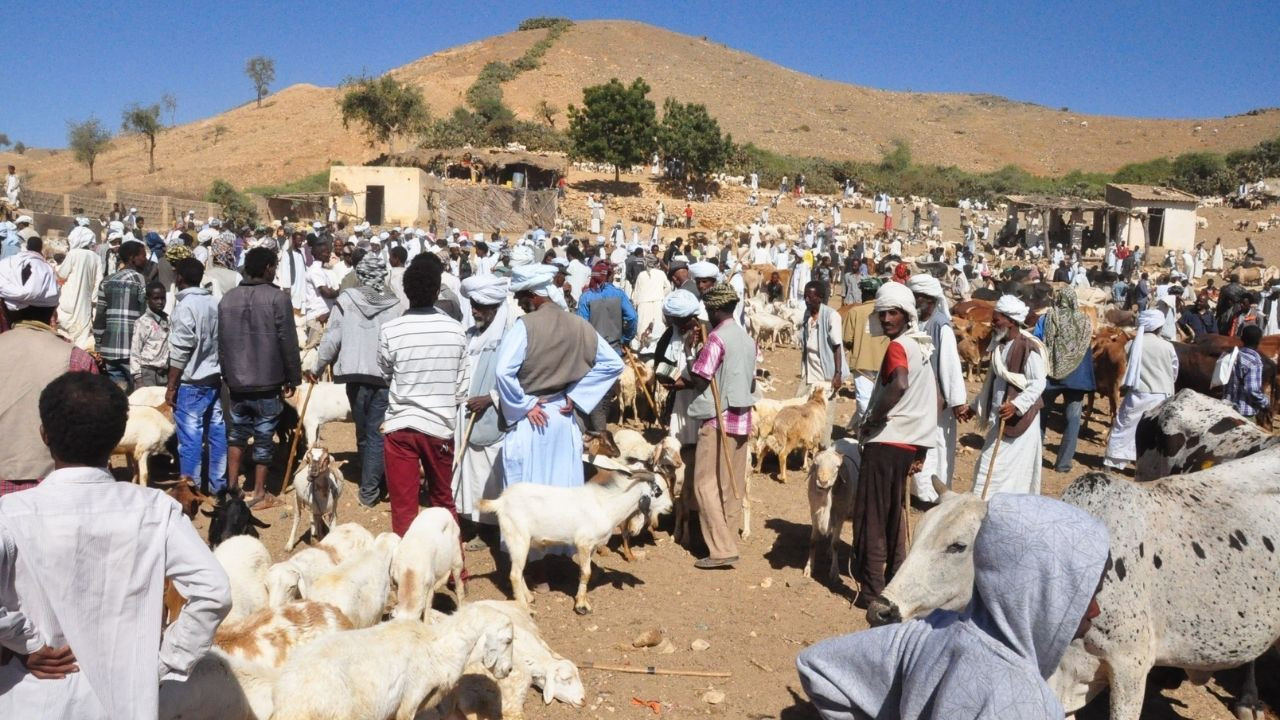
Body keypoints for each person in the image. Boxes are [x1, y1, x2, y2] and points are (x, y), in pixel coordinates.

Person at [0, 372, 231, 720]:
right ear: (117, 439)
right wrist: (165, 662)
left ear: (44, 436)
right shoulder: (156, 511)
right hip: (127, 700)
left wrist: (27, 643)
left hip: (36, 698)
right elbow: (214, 591)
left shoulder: (12, 513)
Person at [797, 493, 1109, 720]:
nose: (1094, 610)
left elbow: (818, 665)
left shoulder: (926, 633)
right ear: (1042, 589)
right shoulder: (1031, 703)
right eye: (1082, 595)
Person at [494, 264, 623, 582]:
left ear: (532, 296)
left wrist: (523, 404)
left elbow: (502, 372)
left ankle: (529, 565)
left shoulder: (524, 327)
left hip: (532, 419)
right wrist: (577, 396)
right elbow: (612, 363)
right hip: (563, 419)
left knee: (531, 493)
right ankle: (559, 561)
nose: (521, 303)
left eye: (523, 297)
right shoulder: (579, 325)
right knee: (562, 491)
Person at [853, 283, 935, 601]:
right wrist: (922, 448)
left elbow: (899, 384)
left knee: (871, 518)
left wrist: (873, 418)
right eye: (883, 313)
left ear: (906, 315)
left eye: (893, 313)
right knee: (894, 516)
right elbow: (932, 399)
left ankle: (873, 590)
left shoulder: (899, 347)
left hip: (887, 442)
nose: (886, 319)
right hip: (909, 444)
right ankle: (895, 583)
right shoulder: (922, 348)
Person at [378, 253, 469, 537]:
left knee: (404, 508)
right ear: (435, 290)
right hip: (439, 427)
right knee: (443, 500)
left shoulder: (391, 330)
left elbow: (385, 373)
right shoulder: (456, 331)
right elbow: (461, 388)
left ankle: (407, 573)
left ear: (406, 292)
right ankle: (457, 573)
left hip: (400, 427)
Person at [666, 284, 756, 569]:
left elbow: (702, 378)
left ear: (716, 310)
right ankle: (727, 539)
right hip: (741, 417)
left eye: (708, 309)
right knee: (730, 482)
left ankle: (720, 550)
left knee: (704, 484)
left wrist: (693, 352)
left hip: (718, 418)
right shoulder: (745, 338)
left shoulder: (716, 339)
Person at [306, 254, 403, 507]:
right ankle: (373, 484)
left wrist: (318, 366)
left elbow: (332, 338)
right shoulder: (395, 304)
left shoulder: (346, 300)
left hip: (354, 376)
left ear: (360, 275)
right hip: (384, 377)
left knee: (364, 430)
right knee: (375, 431)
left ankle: (369, 488)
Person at [0, 253, 99, 494]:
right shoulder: (78, 360)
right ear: (54, 306)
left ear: (4, 307)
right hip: (57, 492)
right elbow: (93, 437)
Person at [219, 247, 302, 508]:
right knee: (265, 435)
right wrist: (293, 376)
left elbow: (221, 342)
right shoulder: (278, 299)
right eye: (274, 266)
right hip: (267, 380)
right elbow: (288, 340)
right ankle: (259, 492)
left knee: (237, 434)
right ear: (267, 267)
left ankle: (232, 487)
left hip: (237, 382)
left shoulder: (227, 299)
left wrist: (227, 373)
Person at [964, 295, 1046, 497]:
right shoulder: (998, 344)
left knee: (1007, 475)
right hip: (999, 418)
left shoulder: (1028, 347)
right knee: (987, 470)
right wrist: (975, 407)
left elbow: (1038, 383)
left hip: (1019, 423)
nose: (993, 323)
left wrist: (1017, 405)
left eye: (997, 319)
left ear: (1010, 321)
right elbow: (992, 382)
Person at [453, 275, 512, 549]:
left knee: (492, 474)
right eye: (473, 305)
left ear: (494, 308)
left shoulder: (509, 339)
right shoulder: (471, 336)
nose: (474, 310)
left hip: (492, 419)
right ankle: (475, 526)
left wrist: (490, 398)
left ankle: (493, 528)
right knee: (468, 473)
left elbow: (517, 381)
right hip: (465, 416)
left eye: (479, 306)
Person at [165, 258, 227, 496]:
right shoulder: (214, 303)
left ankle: (191, 489)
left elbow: (181, 349)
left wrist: (171, 386)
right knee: (216, 432)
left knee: (190, 439)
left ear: (180, 277)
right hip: (213, 379)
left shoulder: (186, 306)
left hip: (191, 383)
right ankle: (217, 485)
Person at [906, 275, 965, 503]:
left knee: (936, 445)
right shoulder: (914, 324)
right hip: (914, 396)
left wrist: (956, 400)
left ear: (929, 299)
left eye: (917, 298)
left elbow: (950, 365)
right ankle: (915, 491)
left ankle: (931, 494)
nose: (914, 302)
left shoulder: (941, 326)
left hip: (936, 399)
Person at [1103, 309, 1178, 470]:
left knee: (1125, 425)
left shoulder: (1133, 344)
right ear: (1159, 327)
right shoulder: (1168, 346)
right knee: (1153, 432)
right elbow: (1174, 371)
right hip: (1162, 394)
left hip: (1139, 392)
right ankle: (1146, 465)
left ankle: (1111, 462)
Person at [1034, 287, 1095, 473]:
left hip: (1050, 375)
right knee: (1073, 419)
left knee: (1041, 416)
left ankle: (1034, 457)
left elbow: (1037, 340)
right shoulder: (1085, 321)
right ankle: (1064, 464)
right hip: (1077, 378)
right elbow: (1086, 346)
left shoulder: (1047, 318)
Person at [577, 261, 637, 434]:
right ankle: (600, 428)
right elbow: (632, 317)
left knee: (595, 391)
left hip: (594, 351)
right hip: (615, 350)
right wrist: (626, 338)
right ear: (609, 276)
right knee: (607, 392)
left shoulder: (586, 297)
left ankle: (597, 429)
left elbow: (582, 326)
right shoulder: (618, 294)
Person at [92, 240, 148, 392]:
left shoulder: (107, 281)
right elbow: (145, 314)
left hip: (110, 348)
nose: (146, 259)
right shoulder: (139, 279)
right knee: (137, 394)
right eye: (143, 255)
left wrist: (98, 344)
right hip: (132, 348)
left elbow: (100, 316)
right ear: (132, 258)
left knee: (118, 392)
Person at [799, 280, 844, 418]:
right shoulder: (807, 315)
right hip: (809, 371)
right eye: (805, 296)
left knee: (823, 415)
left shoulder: (831, 316)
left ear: (819, 298)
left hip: (824, 373)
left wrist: (837, 374)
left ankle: (823, 440)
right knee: (801, 409)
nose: (806, 300)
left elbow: (837, 346)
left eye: (810, 297)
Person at [56, 222, 103, 350]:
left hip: (69, 300)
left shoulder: (73, 254)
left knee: (65, 336)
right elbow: (99, 281)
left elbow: (62, 274)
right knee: (82, 339)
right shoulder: (96, 257)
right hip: (85, 305)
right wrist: (93, 301)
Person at [129, 283, 170, 388]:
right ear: (147, 300)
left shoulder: (168, 320)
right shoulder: (142, 322)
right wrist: (138, 378)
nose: (160, 302)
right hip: (148, 373)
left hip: (164, 373)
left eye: (163, 298)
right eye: (156, 298)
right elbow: (135, 351)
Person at [1227, 325, 1270, 422]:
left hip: (1227, 408)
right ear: (1259, 341)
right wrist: (1265, 402)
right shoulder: (1254, 361)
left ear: (1241, 339)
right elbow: (1252, 390)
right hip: (1244, 413)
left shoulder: (1232, 356)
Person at [630, 255, 672, 355]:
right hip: (658, 303)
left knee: (643, 326)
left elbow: (636, 292)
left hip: (644, 304)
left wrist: (635, 304)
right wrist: (661, 295)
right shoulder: (661, 273)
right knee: (658, 326)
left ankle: (643, 350)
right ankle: (657, 349)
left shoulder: (641, 275)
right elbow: (668, 288)